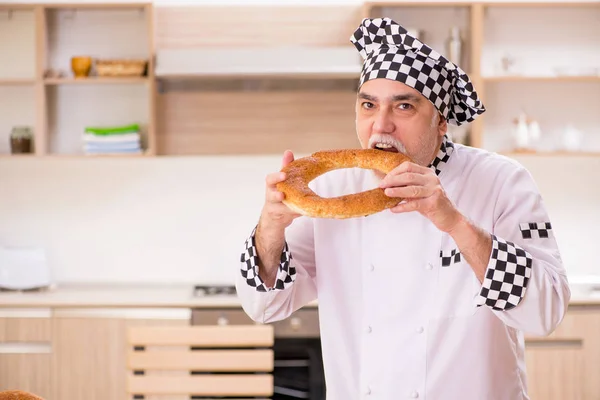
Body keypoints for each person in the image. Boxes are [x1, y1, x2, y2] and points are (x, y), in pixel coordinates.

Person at [235, 17, 570, 400]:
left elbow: (545, 312)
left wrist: (456, 224)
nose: (381, 126)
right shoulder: (331, 192)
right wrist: (270, 229)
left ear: (441, 122)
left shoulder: (501, 181)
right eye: (368, 105)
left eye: (404, 107)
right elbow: (265, 306)